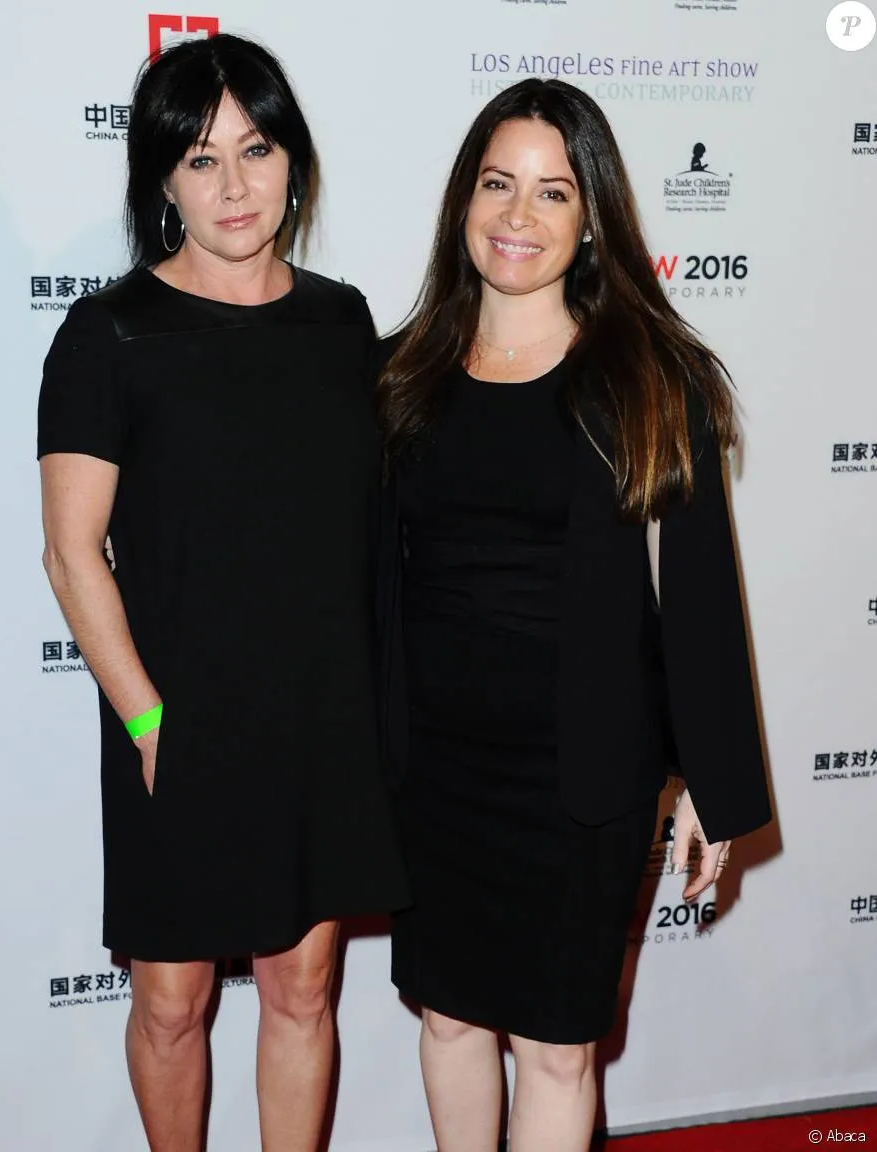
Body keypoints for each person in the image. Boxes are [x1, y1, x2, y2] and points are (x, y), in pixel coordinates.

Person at [376, 79, 772, 1152]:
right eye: (497, 184)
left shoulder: (648, 379)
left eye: (552, 192)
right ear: (463, 202)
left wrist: (709, 781)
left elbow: (695, 593)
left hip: (584, 783)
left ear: (591, 217)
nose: (518, 215)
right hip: (432, 774)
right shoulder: (401, 374)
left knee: (557, 1048)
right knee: (449, 1019)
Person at [37, 33, 408, 1152]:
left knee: (302, 989)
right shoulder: (109, 334)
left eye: (256, 149)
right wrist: (146, 719)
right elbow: (71, 553)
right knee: (172, 1001)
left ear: (293, 160)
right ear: (163, 180)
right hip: (179, 718)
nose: (234, 185)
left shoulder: (343, 324)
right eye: (200, 159)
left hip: (320, 715)